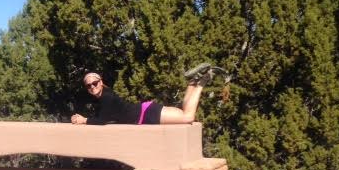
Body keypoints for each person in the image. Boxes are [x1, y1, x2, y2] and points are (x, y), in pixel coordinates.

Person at [70, 63, 227, 125]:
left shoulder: (106, 97)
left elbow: (102, 121)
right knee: (183, 112)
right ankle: (193, 81)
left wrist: (83, 120)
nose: (92, 86)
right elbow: (108, 117)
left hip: (146, 115)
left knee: (187, 117)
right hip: (146, 110)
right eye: (88, 85)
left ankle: (203, 81)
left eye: (95, 83)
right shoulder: (106, 94)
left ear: (101, 82)